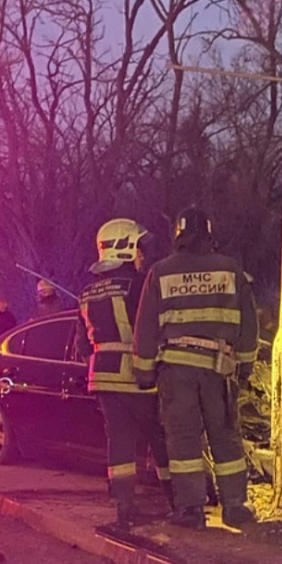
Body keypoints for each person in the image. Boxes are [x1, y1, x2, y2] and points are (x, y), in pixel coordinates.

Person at [132, 207, 259, 530]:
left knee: (183, 440)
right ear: (209, 234)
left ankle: (190, 509)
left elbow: (145, 328)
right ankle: (235, 505)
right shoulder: (230, 270)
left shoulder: (160, 273)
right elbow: (249, 324)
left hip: (177, 372)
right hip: (220, 370)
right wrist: (244, 367)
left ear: (178, 235)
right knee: (225, 436)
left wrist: (144, 372)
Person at [75, 219, 171, 527]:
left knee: (119, 441)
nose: (142, 254)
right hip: (139, 375)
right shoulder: (140, 284)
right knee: (160, 436)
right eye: (139, 247)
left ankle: (124, 505)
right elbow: (158, 325)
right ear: (125, 248)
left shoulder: (87, 291)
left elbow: (82, 346)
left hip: (103, 379)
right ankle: (177, 499)